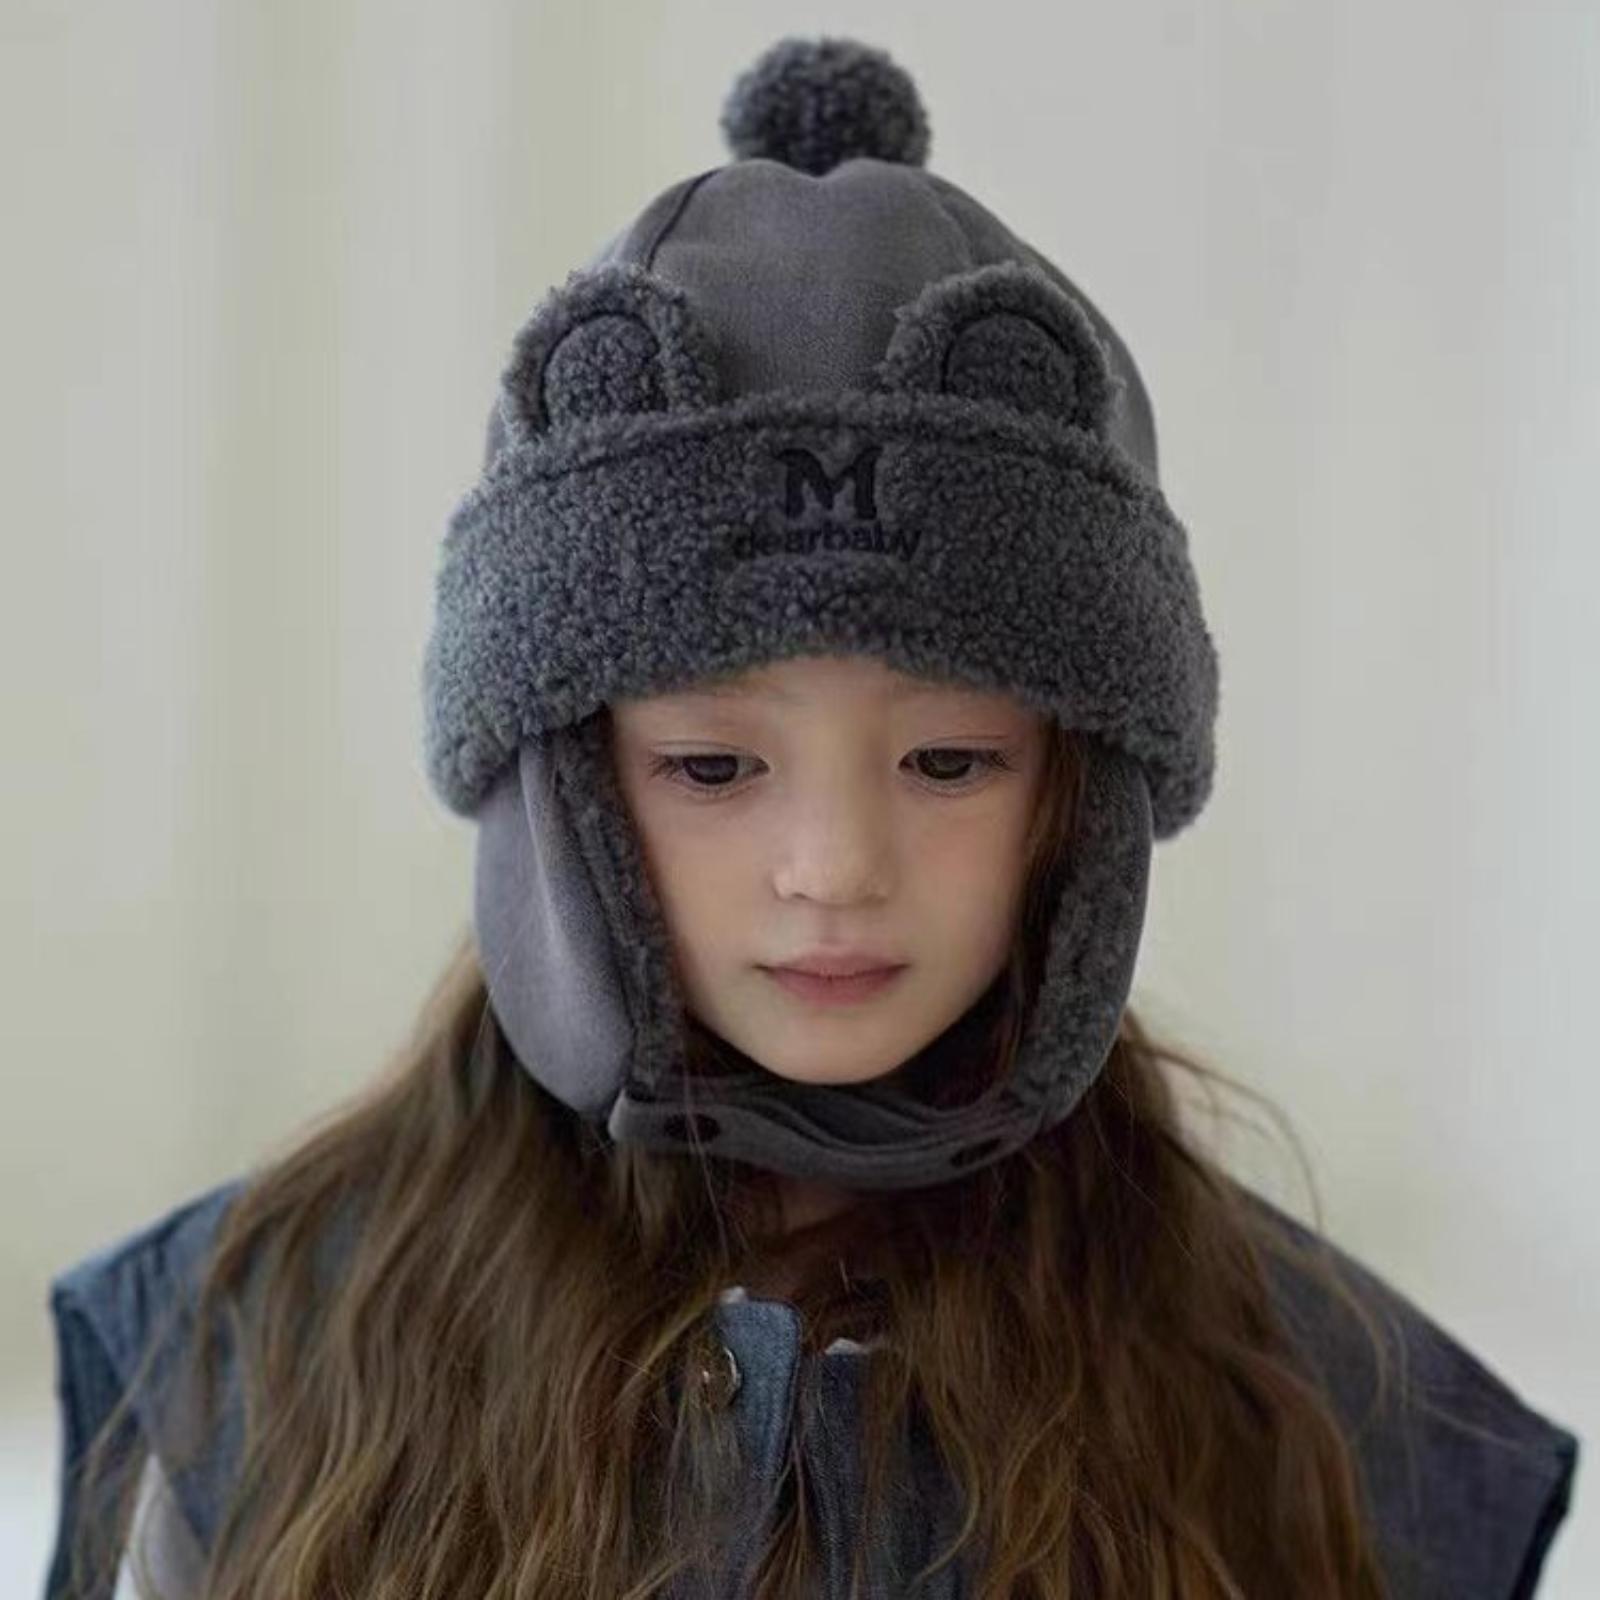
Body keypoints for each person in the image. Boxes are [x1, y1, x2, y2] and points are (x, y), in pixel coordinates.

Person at [43, 34, 1578, 1600]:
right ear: (557, 788)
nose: (836, 870)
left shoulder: (1328, 1411)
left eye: (951, 762)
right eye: (713, 769)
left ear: (1082, 793)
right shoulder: (247, 1354)